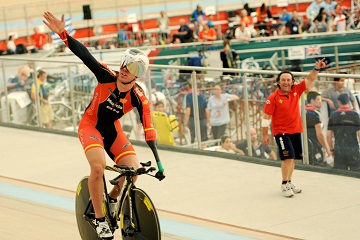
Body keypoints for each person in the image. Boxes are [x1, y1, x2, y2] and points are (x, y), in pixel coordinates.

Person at [43, 12, 165, 239]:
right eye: (125, 63)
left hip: (112, 131)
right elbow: (84, 54)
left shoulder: (140, 97)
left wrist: (158, 162)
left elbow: (149, 129)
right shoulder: (106, 75)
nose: (125, 68)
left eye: (133, 67)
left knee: (133, 170)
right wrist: (62, 33)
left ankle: (111, 199)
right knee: (98, 168)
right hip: (90, 127)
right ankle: (100, 220)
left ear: (138, 75)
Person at [261, 58, 327, 198]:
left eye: (288, 80)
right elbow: (266, 118)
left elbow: (309, 79)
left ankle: (289, 182)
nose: (286, 82)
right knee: (288, 159)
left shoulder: (296, 90)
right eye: (283, 80)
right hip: (281, 132)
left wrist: (317, 68)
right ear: (278, 82)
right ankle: (284, 184)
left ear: (292, 82)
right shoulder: (272, 98)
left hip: (296, 130)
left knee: (293, 159)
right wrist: (265, 135)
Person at [326, 93, 360, 171]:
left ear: (339, 102)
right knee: (356, 173)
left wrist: (331, 150)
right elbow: (359, 133)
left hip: (339, 149)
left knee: (341, 174)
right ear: (348, 101)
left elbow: (328, 135)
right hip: (353, 149)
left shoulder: (333, 115)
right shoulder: (355, 115)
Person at [305, 91, 331, 165]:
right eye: (318, 100)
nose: (320, 102)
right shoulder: (315, 114)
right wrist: (327, 148)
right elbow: (319, 134)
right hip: (315, 146)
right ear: (312, 101)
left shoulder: (303, 112)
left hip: (305, 145)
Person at [183, 82, 210, 147]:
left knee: (191, 139)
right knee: (203, 139)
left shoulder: (189, 96)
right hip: (202, 120)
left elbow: (188, 111)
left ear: (189, 87)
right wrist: (208, 122)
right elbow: (207, 110)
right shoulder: (202, 97)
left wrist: (185, 124)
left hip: (192, 120)